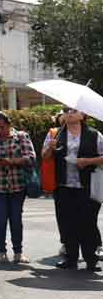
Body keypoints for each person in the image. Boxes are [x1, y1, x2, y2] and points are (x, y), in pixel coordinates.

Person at [43, 106, 101, 271]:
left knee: (88, 223)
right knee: (67, 223)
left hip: (87, 186)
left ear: (83, 115)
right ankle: (71, 258)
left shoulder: (94, 134)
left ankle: (91, 259)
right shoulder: (56, 134)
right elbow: (45, 157)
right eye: (66, 110)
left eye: (74, 111)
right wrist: (50, 148)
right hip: (63, 186)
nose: (69, 113)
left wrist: (87, 161)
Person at [0, 111, 36, 265]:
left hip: (17, 185)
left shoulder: (21, 136)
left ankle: (18, 252)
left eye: (2, 127)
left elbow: (31, 158)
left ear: (9, 124)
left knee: (16, 219)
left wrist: (11, 162)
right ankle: (1, 252)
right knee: (0, 219)